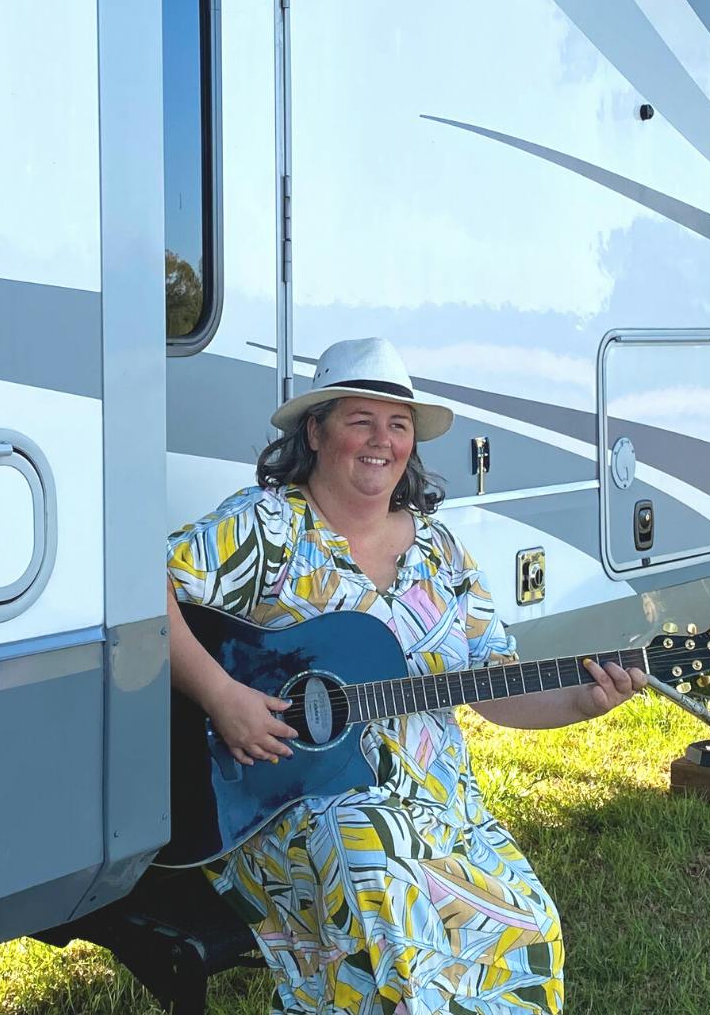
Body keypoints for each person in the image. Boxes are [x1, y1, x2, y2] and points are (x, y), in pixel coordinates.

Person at [166, 337, 645, 1014]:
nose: (381, 441)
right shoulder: (269, 525)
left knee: (529, 925)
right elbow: (141, 591)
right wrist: (222, 696)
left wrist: (587, 699)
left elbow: (498, 685)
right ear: (316, 430)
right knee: (382, 897)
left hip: (435, 806)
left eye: (398, 426)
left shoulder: (438, 549)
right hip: (287, 801)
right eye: (361, 420)